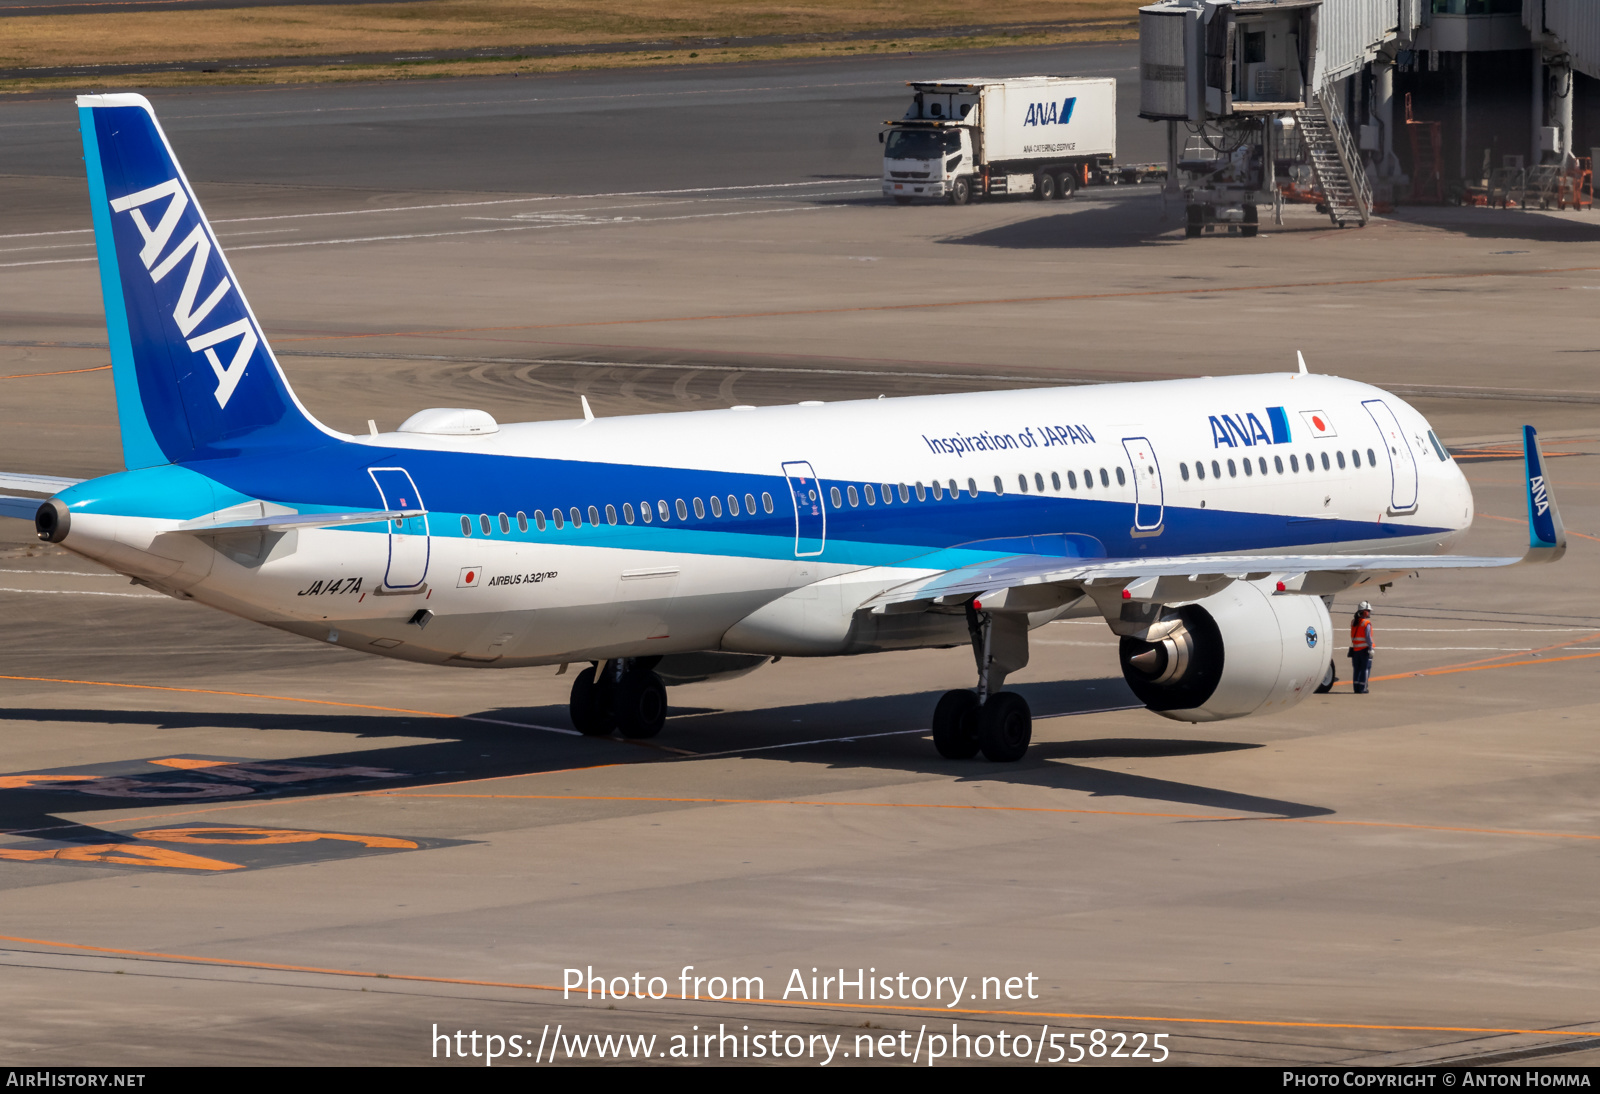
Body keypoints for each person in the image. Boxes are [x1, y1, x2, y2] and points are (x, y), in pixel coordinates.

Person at [1349, 602, 1374, 694]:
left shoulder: (1353, 622)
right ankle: (1363, 688)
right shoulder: (1366, 623)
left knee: (1357, 669)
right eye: (1368, 611)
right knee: (1365, 669)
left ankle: (1356, 688)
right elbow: (1368, 637)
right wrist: (1371, 648)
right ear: (1364, 611)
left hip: (1356, 650)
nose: (1369, 612)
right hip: (1364, 650)